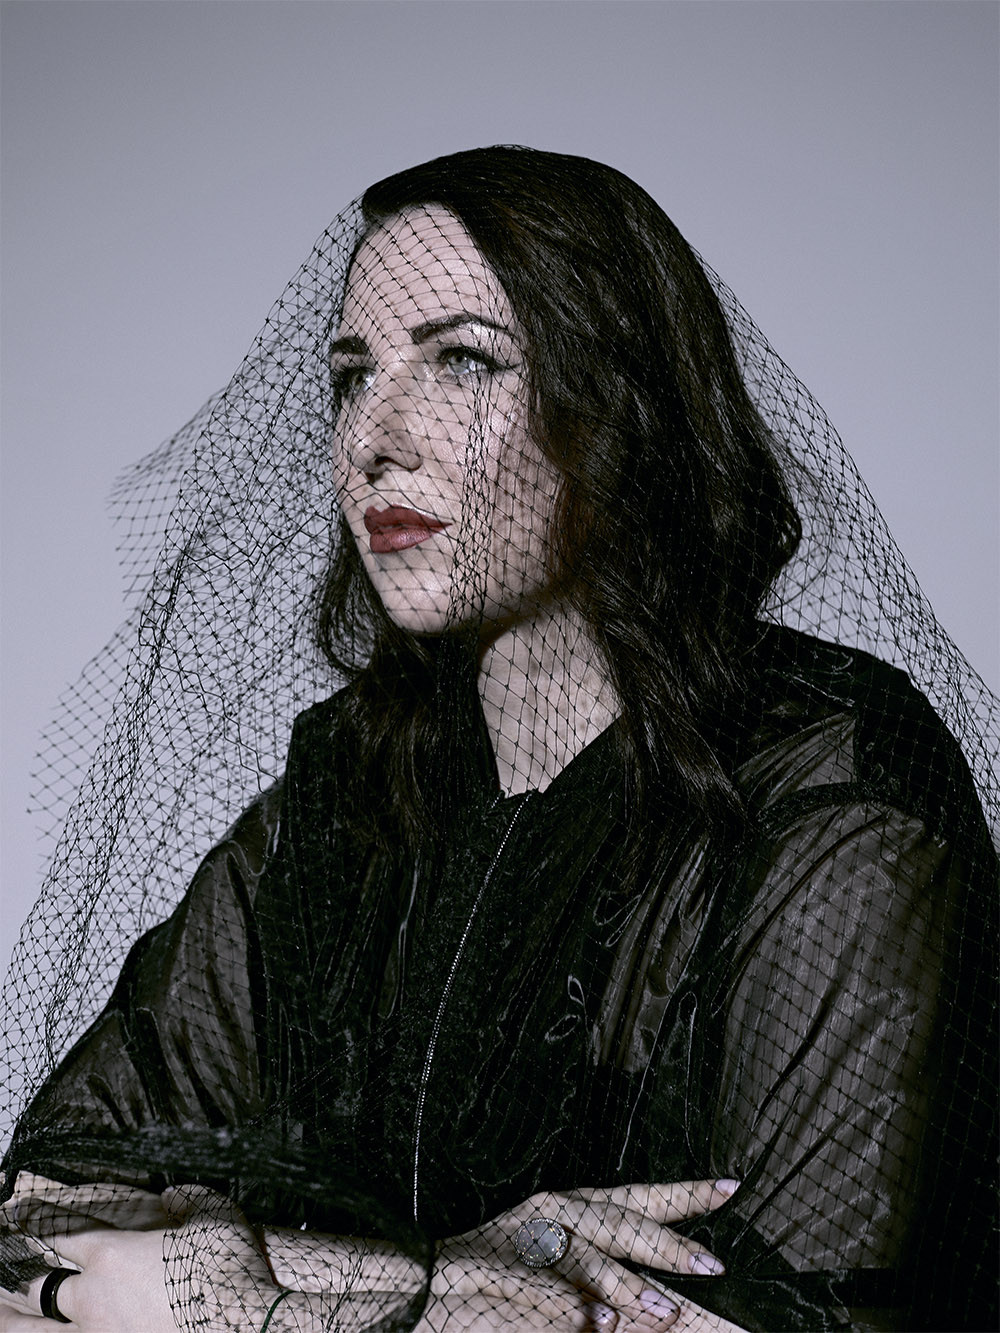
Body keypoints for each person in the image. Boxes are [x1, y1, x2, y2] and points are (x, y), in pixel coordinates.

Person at [1, 147, 996, 1333]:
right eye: (352, 376)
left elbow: (797, 1321)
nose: (375, 437)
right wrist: (435, 1279)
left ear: (615, 409)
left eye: (463, 361)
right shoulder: (342, 801)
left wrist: (260, 1298)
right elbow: (30, 1225)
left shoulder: (833, 785)